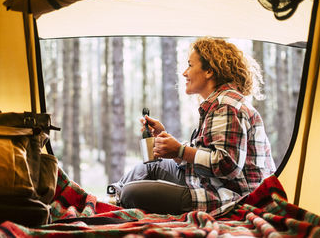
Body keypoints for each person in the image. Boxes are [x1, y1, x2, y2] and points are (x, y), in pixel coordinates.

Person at [109, 37, 276, 215]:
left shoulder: (226, 105)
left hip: (230, 197)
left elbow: (227, 165)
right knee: (150, 167)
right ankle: (111, 201)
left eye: (190, 65)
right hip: (212, 183)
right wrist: (165, 139)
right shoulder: (218, 103)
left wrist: (180, 151)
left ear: (209, 71)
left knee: (131, 193)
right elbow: (205, 156)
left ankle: (115, 201)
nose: (184, 73)